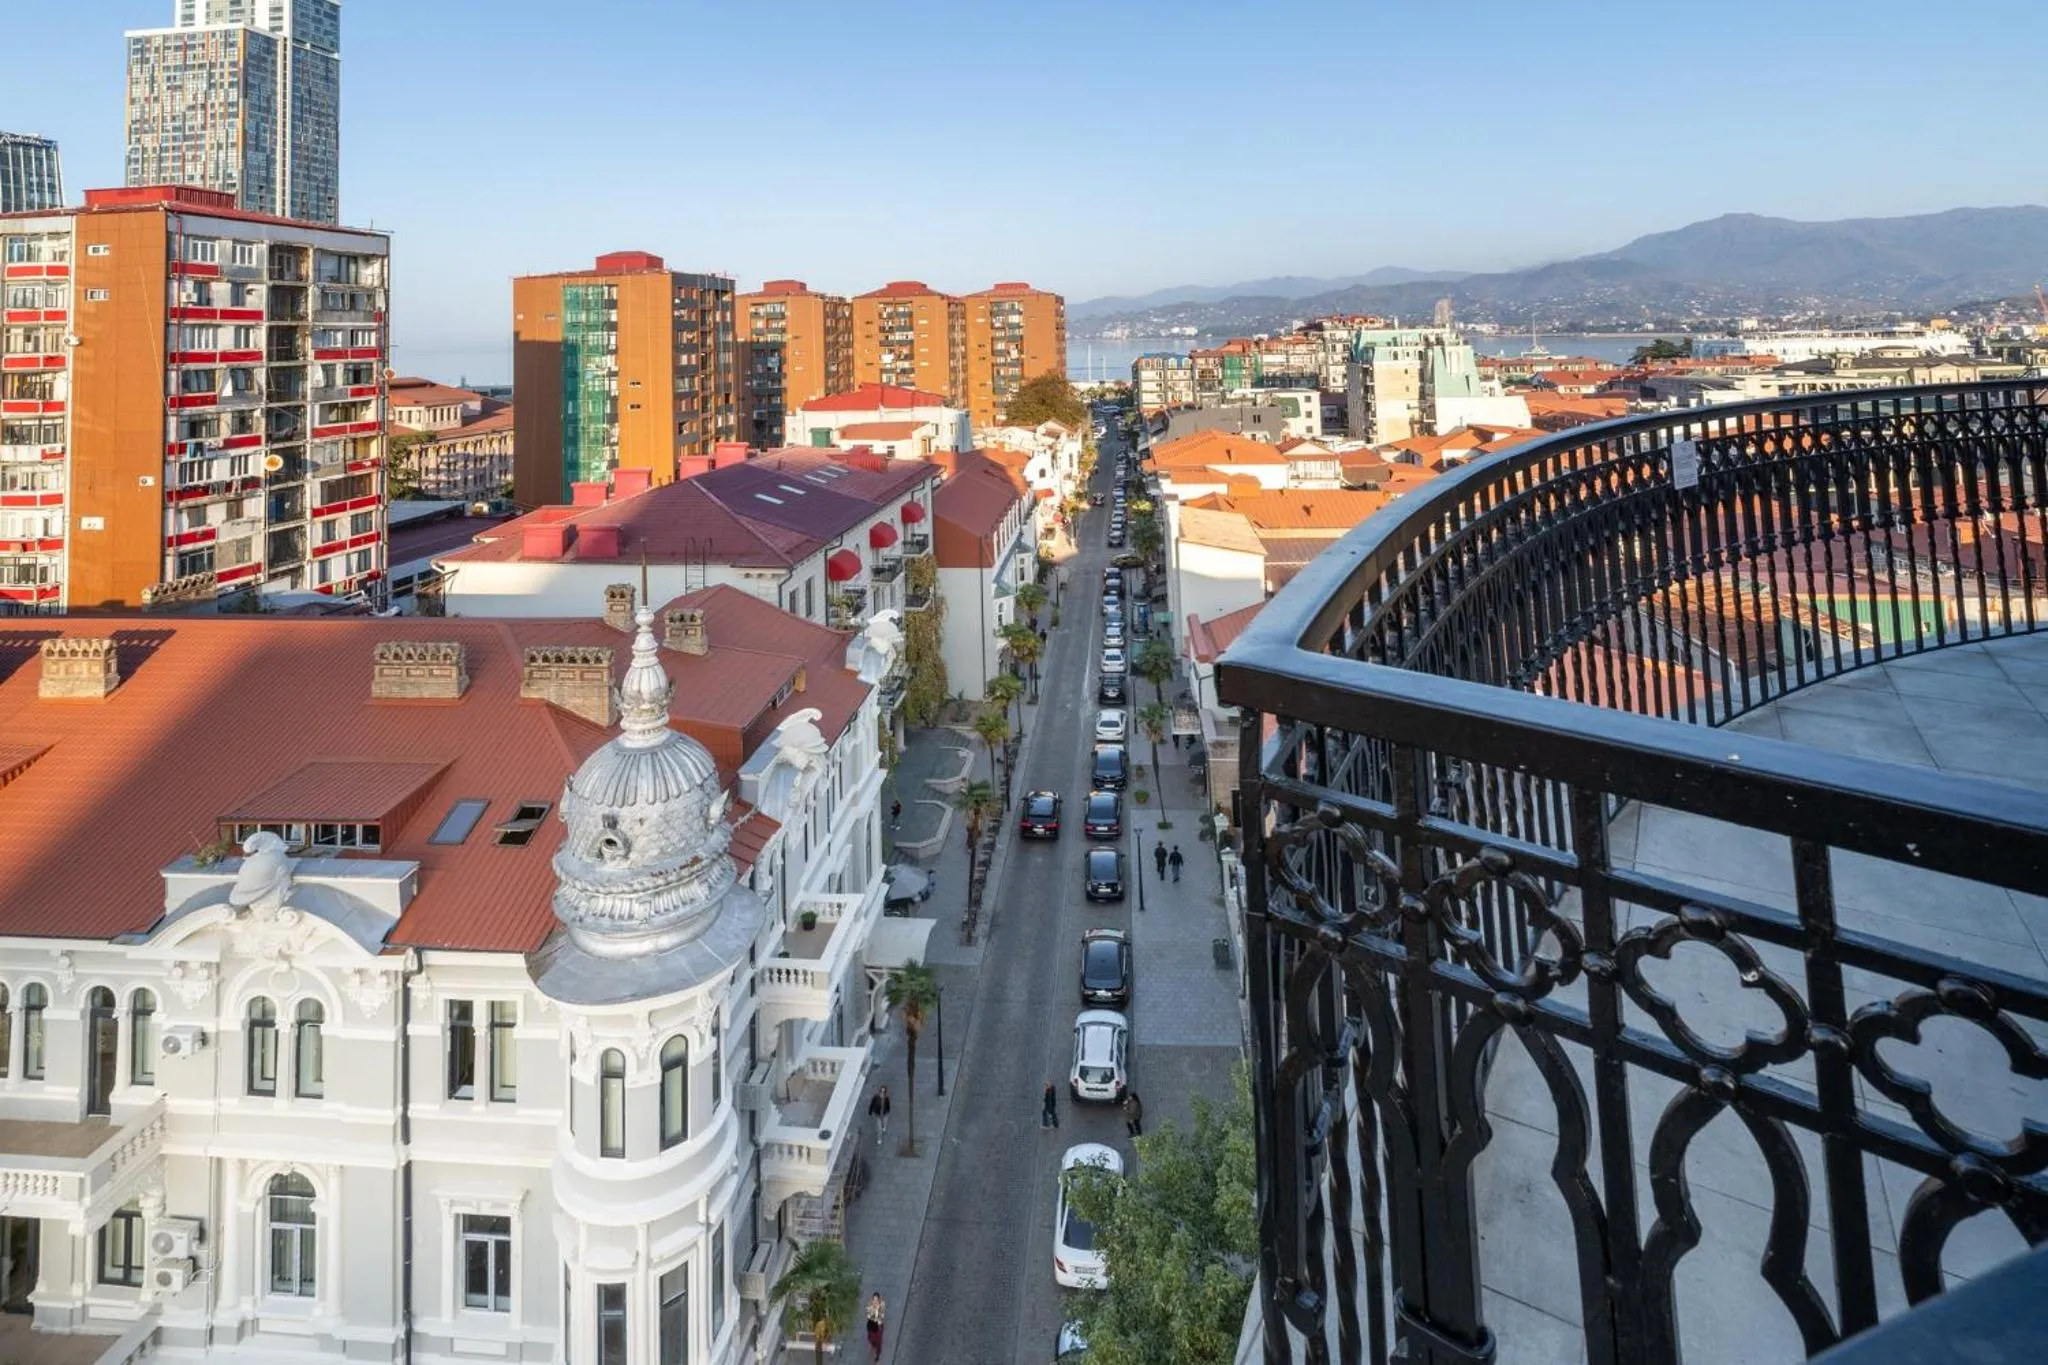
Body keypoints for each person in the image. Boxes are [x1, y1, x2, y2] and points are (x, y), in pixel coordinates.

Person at [866, 1293, 886, 1363]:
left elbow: (881, 1316)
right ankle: (873, 1344)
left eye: (876, 1299)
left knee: (878, 1342)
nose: (875, 1301)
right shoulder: (870, 1305)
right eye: (874, 1299)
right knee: (870, 1338)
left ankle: (877, 1355)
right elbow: (868, 1315)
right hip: (871, 1325)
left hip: (878, 1327)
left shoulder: (881, 1305)